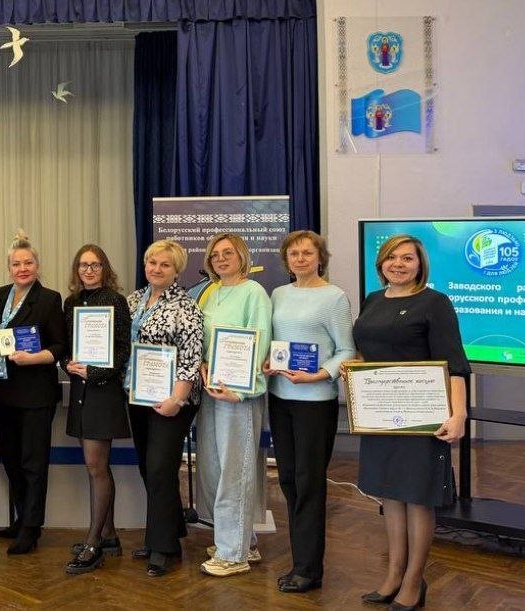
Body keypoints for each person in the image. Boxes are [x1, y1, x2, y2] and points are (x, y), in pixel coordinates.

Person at [352, 235, 467, 610]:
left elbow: (454, 363)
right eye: (391, 258)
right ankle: (393, 575)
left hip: (422, 416)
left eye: (407, 258)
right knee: (391, 495)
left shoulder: (435, 302)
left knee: (417, 497)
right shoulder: (373, 300)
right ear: (380, 264)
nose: (398, 264)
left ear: (420, 265)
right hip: (380, 413)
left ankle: (414, 581)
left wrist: (459, 414)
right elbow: (368, 353)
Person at [264, 231, 355, 593]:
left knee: (309, 482)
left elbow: (347, 350)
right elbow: (276, 342)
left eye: (307, 253)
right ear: (286, 260)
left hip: (315, 401)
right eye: (294, 253)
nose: (300, 258)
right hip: (280, 397)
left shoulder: (334, 297)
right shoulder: (278, 294)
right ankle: (301, 560)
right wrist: (269, 360)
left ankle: (309, 569)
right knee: (288, 479)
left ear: (320, 257)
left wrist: (318, 375)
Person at [122, 239, 204, 577]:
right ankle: (169, 529)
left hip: (173, 400)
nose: (156, 269)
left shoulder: (186, 306)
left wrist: (177, 399)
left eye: (165, 265)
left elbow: (191, 357)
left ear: (177, 270)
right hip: (138, 395)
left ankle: (163, 547)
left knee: (159, 468)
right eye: (152, 262)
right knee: (148, 466)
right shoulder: (132, 300)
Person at [195, 232, 272, 577]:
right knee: (213, 466)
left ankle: (232, 554)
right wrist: (202, 364)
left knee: (234, 471)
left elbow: (260, 340)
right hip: (211, 391)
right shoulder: (212, 293)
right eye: (215, 255)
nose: (221, 259)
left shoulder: (253, 292)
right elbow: (203, 340)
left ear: (242, 256)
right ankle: (243, 541)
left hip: (238, 395)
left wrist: (242, 390)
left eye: (227, 253)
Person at [0, 231, 64, 555]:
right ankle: (21, 518)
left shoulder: (49, 299)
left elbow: (60, 346)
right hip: (3, 392)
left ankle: (32, 528)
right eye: (16, 264)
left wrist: (34, 358)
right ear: (9, 268)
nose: (22, 268)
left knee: (33, 463)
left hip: (36, 394)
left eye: (28, 263)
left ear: (37, 265)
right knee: (11, 459)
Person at [60, 244, 132, 574]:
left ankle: (93, 543)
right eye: (83, 265)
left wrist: (96, 373)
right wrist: (68, 364)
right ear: (77, 270)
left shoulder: (116, 301)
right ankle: (109, 535)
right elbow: (65, 346)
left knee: (95, 466)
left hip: (103, 392)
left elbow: (122, 350)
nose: (89, 270)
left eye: (95, 265)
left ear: (105, 269)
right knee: (96, 467)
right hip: (80, 389)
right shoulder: (71, 302)